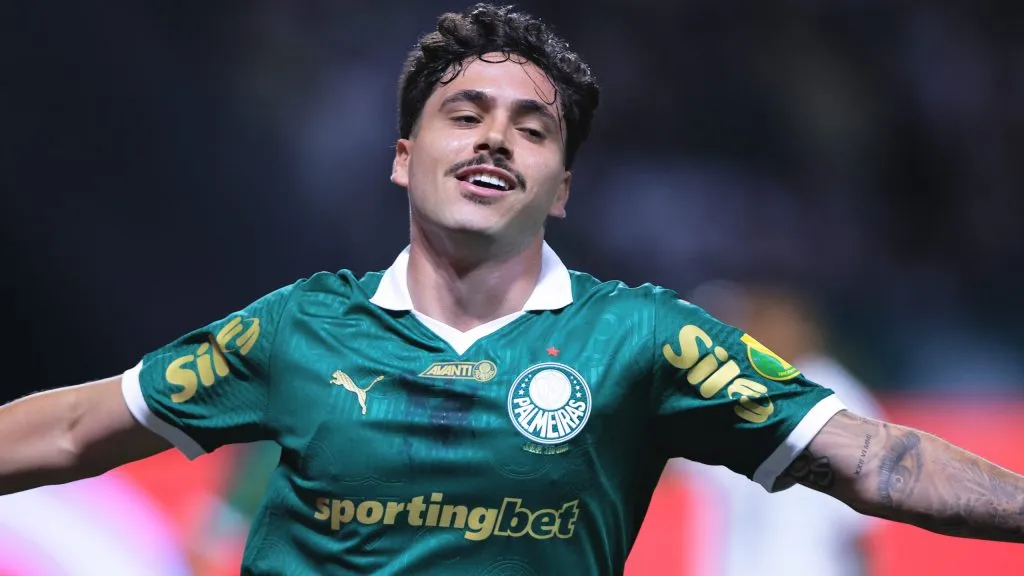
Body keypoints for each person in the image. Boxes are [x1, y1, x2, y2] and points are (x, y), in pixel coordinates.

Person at [1, 4, 1022, 575]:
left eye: (531, 127)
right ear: (403, 157)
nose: (494, 139)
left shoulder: (645, 342)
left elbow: (880, 463)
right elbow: (73, 432)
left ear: (562, 183)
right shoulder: (292, 333)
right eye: (464, 114)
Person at [679, 280, 885, 576]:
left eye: (766, 318)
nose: (753, 331)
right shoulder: (736, 391)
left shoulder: (841, 400)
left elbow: (860, 524)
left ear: (803, 326)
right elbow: (675, 462)